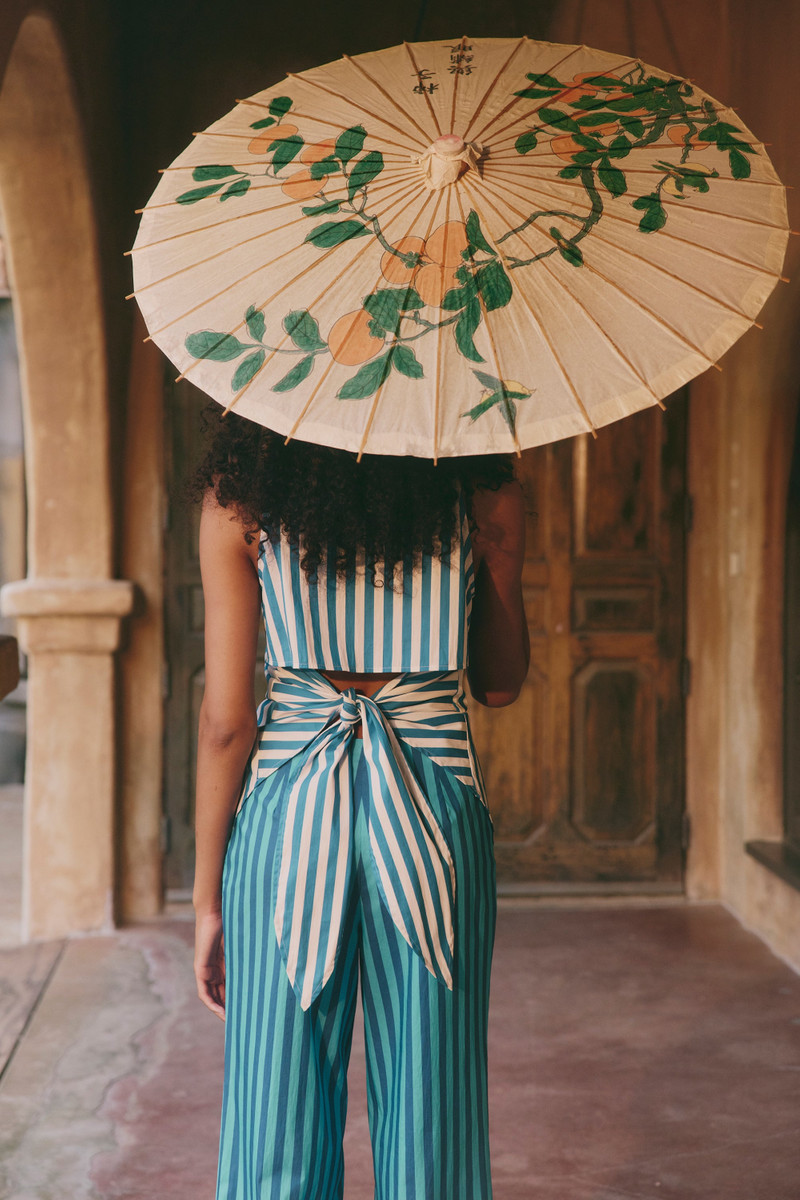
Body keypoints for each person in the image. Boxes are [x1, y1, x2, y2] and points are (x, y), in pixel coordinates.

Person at [190, 409, 529, 1200]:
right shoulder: (484, 494)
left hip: (288, 807)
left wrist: (207, 903)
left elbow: (226, 725)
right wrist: (496, 561)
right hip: (433, 805)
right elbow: (500, 683)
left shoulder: (240, 501)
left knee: (272, 1110)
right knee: (434, 1107)